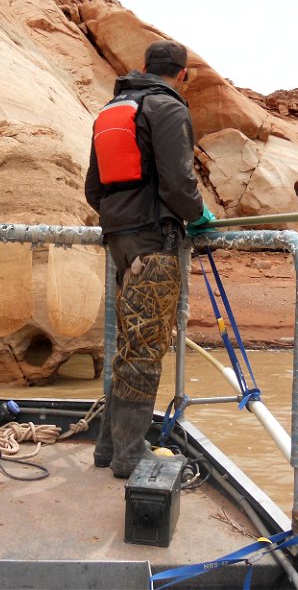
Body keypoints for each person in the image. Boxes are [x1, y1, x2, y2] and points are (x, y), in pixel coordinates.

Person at [84, 40, 216, 478]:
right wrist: (198, 217)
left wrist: (119, 218)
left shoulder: (111, 111)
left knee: (128, 342)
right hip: (154, 241)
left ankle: (108, 445)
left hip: (120, 239)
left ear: (142, 67)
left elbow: (93, 188)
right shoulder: (169, 109)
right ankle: (129, 454)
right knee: (145, 346)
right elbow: (178, 182)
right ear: (182, 75)